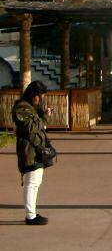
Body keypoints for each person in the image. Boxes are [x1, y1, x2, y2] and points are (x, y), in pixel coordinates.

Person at [13, 81, 52, 225]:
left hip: (36, 150)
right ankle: (30, 216)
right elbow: (32, 127)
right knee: (31, 182)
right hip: (28, 151)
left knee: (36, 182)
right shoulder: (22, 107)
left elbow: (37, 125)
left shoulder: (31, 108)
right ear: (32, 95)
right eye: (39, 96)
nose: (41, 100)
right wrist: (43, 117)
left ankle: (32, 212)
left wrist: (41, 114)